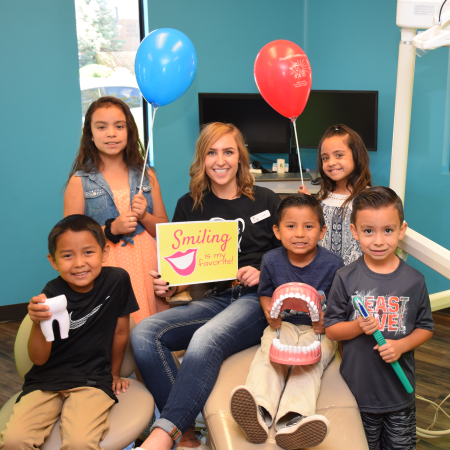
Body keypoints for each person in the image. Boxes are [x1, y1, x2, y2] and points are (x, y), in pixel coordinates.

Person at [131, 122, 281, 450]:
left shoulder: (267, 200)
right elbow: (183, 267)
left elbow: (293, 253)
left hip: (257, 300)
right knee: (143, 335)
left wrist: (264, 272)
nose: (220, 160)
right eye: (211, 152)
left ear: (240, 157)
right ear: (202, 159)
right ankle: (186, 437)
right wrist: (170, 284)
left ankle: (163, 434)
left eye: (228, 151)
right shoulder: (189, 205)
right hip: (214, 297)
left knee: (205, 339)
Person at [0, 215, 139, 450]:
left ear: (104, 253)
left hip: (93, 381)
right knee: (14, 441)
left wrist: (113, 373)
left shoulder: (117, 280)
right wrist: (37, 322)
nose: (78, 263)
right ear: (53, 261)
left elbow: (120, 331)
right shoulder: (51, 294)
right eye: (67, 255)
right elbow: (39, 359)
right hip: (45, 381)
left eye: (88, 252)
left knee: (80, 442)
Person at [229, 194, 344, 449]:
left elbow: (340, 303)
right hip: (284, 325)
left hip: (320, 331)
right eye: (291, 226)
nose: (300, 233)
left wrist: (326, 322)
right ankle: (258, 411)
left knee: (308, 365)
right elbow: (266, 292)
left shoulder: (334, 264)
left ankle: (293, 421)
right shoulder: (271, 260)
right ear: (277, 231)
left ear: (322, 231)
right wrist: (271, 313)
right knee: (270, 356)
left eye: (309, 226)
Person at [324, 187, 433, 450]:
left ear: (402, 230)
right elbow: (331, 330)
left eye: (388, 230)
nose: (378, 240)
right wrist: (357, 326)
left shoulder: (414, 280)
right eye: (368, 231)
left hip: (399, 394)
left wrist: (401, 346)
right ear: (355, 232)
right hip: (356, 393)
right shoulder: (345, 277)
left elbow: (426, 327)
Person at [64, 96, 169, 324]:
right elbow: (70, 242)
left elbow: (164, 231)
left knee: (150, 330)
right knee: (117, 331)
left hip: (147, 265)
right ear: (90, 134)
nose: (111, 133)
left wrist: (145, 216)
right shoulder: (79, 181)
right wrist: (112, 228)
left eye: (119, 126)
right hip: (107, 267)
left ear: (129, 132)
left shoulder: (147, 175)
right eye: (101, 127)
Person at [299, 124, 372, 265]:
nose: (331, 163)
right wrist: (311, 205)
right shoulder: (323, 198)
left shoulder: (369, 199)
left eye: (339, 155)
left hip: (355, 278)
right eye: (325, 158)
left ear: (356, 156)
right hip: (324, 276)